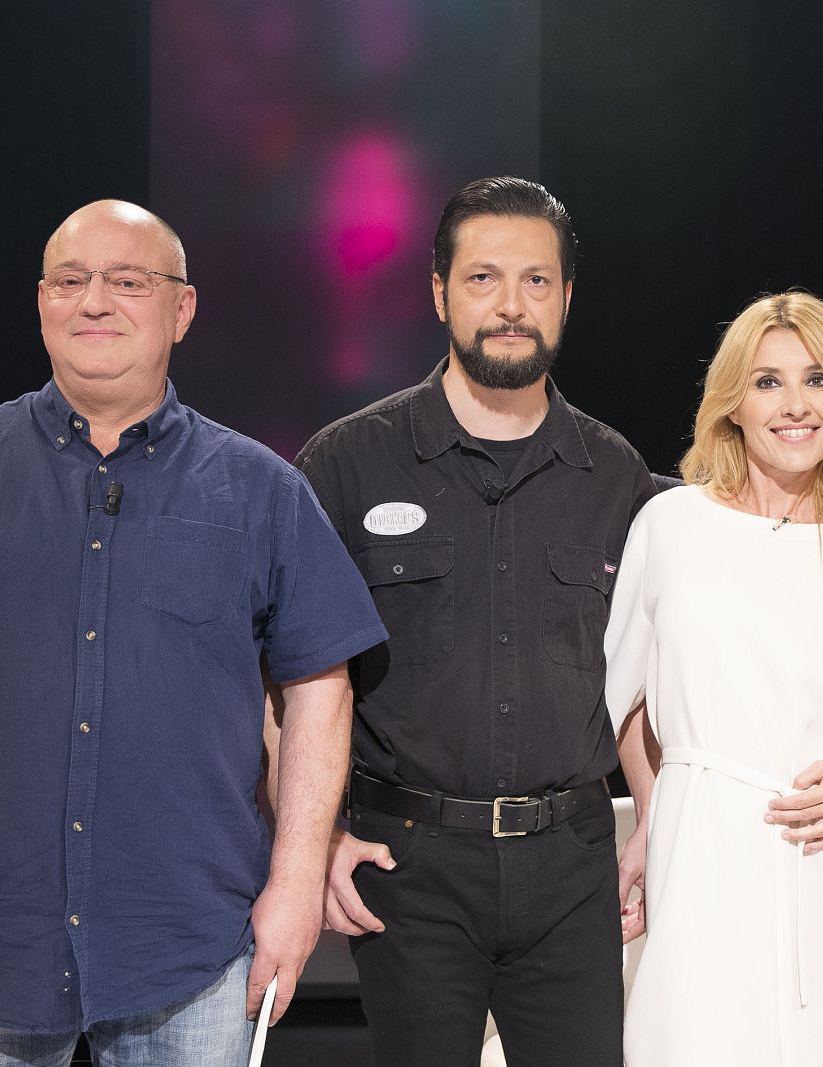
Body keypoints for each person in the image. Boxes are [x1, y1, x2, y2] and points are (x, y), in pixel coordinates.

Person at [0, 200, 386, 1066]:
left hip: (189, 948)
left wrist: (295, 884)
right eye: (71, 280)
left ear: (182, 309)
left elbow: (321, 688)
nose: (94, 300)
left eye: (127, 281)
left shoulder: (262, 489)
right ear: (41, 303)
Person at [295, 176, 655, 1066]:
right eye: (484, 278)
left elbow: (647, 675)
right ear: (439, 292)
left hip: (573, 868)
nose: (510, 306)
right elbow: (288, 680)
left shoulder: (616, 475)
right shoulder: (347, 464)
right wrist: (317, 838)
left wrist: (655, 819)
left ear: (567, 297)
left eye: (536, 281)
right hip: (407, 868)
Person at [605, 292, 823, 1066]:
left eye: (817, 379)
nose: (796, 404)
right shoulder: (671, 524)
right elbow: (623, 699)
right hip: (705, 853)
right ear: (732, 405)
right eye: (768, 382)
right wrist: (656, 815)